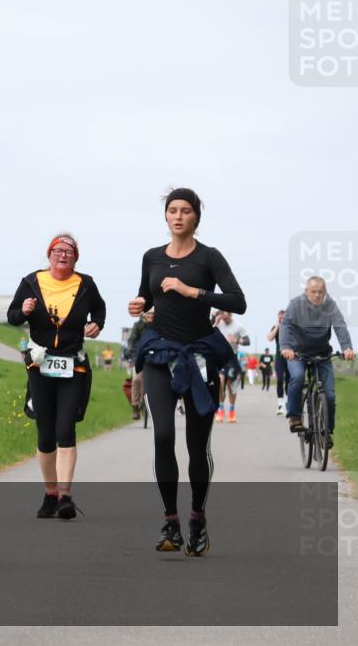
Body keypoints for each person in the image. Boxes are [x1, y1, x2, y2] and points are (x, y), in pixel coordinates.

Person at [129, 187, 245, 557]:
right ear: (166, 217)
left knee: (197, 446)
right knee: (162, 435)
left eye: (185, 211)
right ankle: (171, 522)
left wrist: (192, 291)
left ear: (196, 217)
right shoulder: (151, 257)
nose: (178, 216)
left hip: (199, 357)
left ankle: (197, 517)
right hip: (162, 354)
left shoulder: (209, 257)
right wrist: (139, 304)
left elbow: (238, 301)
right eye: (172, 210)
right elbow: (147, 297)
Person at [7, 233, 106, 519]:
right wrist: (23, 310)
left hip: (73, 364)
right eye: (58, 251)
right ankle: (50, 493)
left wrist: (96, 324)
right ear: (49, 254)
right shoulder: (31, 282)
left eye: (69, 252)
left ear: (76, 257)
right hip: (40, 365)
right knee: (45, 433)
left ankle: (65, 496)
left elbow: (99, 309)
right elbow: (13, 315)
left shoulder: (85, 284)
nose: (63, 256)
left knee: (66, 429)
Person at [280, 276, 354, 446]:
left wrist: (347, 347)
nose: (317, 295)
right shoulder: (295, 304)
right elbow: (286, 326)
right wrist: (286, 347)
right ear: (306, 291)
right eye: (314, 292)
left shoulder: (330, 306)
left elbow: (340, 326)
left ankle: (326, 431)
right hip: (297, 353)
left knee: (329, 394)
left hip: (322, 354)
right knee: (297, 377)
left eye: (321, 292)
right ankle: (294, 416)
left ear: (325, 292)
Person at [213, 311, 247, 423]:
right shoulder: (218, 324)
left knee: (231, 386)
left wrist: (236, 340)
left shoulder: (238, 326)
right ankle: (220, 410)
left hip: (232, 358)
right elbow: (208, 335)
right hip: (220, 357)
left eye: (224, 313)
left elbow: (247, 341)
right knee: (220, 382)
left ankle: (232, 411)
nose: (222, 315)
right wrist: (215, 323)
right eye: (221, 313)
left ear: (230, 314)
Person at [125, 310, 154, 420]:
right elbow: (132, 339)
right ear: (144, 315)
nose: (150, 316)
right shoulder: (138, 325)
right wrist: (130, 350)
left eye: (152, 314)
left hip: (156, 356)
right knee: (136, 380)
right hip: (140, 356)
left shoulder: (160, 325)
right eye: (148, 314)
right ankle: (135, 407)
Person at [268, 310, 289, 414]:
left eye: (283, 317)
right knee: (280, 379)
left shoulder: (291, 327)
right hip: (279, 358)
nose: (281, 319)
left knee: (289, 380)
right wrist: (277, 325)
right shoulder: (276, 328)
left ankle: (288, 403)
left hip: (290, 357)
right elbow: (270, 338)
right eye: (280, 317)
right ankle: (280, 405)